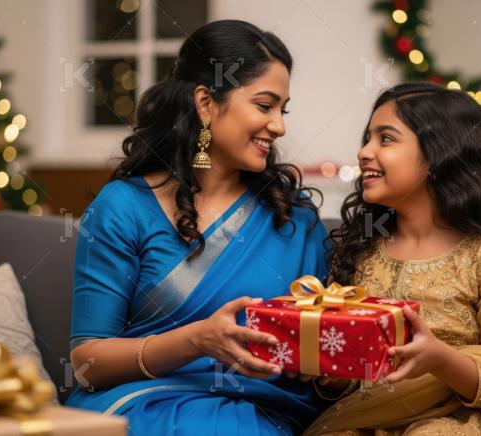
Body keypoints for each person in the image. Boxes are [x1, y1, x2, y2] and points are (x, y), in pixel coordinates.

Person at [64, 20, 334, 435]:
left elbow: (322, 347)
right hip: (143, 404)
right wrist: (195, 341)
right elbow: (87, 362)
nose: (279, 126)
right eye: (264, 106)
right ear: (206, 103)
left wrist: (318, 365)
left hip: (262, 412)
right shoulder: (123, 207)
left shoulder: (293, 217)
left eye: (283, 110)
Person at [304, 82, 481, 435]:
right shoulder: (362, 251)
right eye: (366, 139)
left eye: (385, 139)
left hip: (459, 421)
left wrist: (440, 360)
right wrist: (330, 374)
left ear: (439, 157)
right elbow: (356, 375)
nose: (364, 152)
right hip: (369, 420)